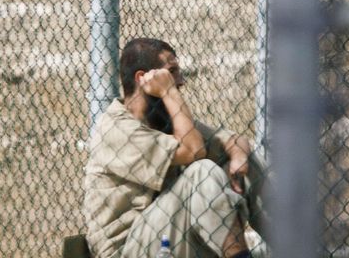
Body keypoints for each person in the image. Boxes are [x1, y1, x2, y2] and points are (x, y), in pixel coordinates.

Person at [84, 38, 268, 258]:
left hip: (170, 235)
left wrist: (239, 158)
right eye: (172, 72)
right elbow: (194, 151)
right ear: (144, 79)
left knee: (247, 165)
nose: (180, 81)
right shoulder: (116, 129)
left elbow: (235, 141)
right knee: (203, 172)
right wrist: (169, 93)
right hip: (128, 250)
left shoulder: (162, 120)